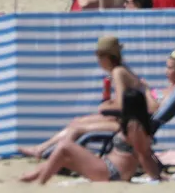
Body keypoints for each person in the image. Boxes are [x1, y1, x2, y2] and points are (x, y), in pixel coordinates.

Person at [19, 39, 163, 184]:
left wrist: (105, 106)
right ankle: (29, 177)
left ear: (106, 57)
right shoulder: (123, 72)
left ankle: (40, 180)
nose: (98, 61)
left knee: (67, 141)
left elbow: (121, 105)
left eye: (99, 57)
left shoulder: (118, 73)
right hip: (111, 164)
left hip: (113, 170)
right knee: (71, 138)